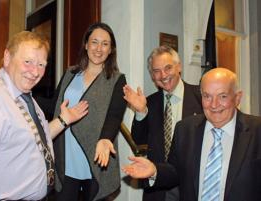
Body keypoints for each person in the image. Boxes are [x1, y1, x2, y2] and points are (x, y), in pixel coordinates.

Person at [0, 31, 88, 201]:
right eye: (28, 62)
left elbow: (33, 139)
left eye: (41, 65)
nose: (35, 72)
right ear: (7, 57)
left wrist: (63, 121)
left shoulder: (24, 96)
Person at [122, 67, 261, 201]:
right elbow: (175, 172)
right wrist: (154, 171)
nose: (214, 104)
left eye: (222, 96)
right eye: (207, 96)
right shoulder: (185, 129)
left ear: (237, 98)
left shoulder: (256, 131)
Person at [52, 22, 127, 201]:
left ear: (111, 50)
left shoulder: (117, 79)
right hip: (66, 155)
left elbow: (115, 116)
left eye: (105, 44)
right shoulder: (70, 73)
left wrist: (105, 138)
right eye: (94, 42)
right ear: (86, 45)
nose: (99, 48)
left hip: (95, 156)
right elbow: (53, 106)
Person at [123, 45, 203, 201]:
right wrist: (140, 111)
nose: (163, 75)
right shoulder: (149, 103)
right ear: (152, 76)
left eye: (168, 68)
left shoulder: (201, 97)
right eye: (156, 71)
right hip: (159, 187)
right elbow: (139, 142)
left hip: (193, 185)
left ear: (179, 67)